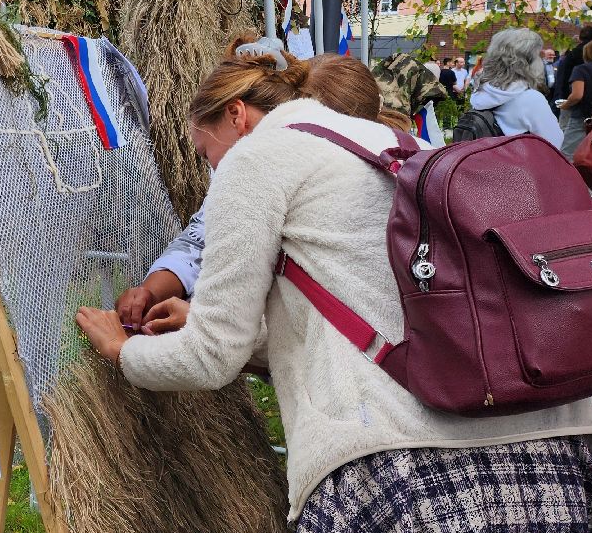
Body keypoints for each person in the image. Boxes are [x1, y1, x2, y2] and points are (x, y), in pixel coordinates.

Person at [76, 45, 592, 533]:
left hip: (402, 478)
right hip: (540, 463)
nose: (213, 171)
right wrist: (208, 320)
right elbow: (377, 309)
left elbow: (209, 360)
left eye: (207, 154)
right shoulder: (395, 145)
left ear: (236, 116)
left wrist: (124, 352)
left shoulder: (259, 158)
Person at [116, 48, 410, 336]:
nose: (214, 168)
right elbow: (200, 240)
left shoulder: (337, 187)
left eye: (206, 155)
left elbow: (321, 317)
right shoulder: (254, 170)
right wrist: (152, 291)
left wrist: (202, 323)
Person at [466, 28, 563, 147]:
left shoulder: (482, 90)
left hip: (482, 157)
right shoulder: (531, 99)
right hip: (519, 159)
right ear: (528, 62)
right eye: (538, 56)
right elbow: (555, 144)